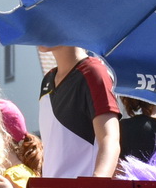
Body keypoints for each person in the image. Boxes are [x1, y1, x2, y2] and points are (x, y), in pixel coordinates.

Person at [37, 46, 120, 180]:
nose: (39, 28)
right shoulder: (48, 79)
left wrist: (97, 184)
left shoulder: (94, 72)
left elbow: (110, 139)